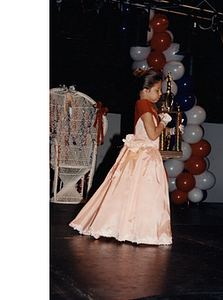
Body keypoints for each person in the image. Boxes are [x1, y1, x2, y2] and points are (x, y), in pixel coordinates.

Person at [69, 69, 175, 245]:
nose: (160, 93)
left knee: (138, 195)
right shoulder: (143, 104)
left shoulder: (149, 106)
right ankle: (136, 230)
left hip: (146, 155)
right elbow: (152, 134)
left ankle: (137, 230)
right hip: (144, 158)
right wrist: (164, 122)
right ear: (146, 90)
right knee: (144, 194)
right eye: (157, 90)